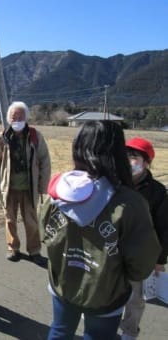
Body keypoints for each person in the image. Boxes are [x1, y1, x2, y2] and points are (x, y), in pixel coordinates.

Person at [38, 120, 161, 340]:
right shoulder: (129, 203)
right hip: (106, 292)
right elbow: (141, 264)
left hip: (63, 284)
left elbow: (44, 234)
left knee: (59, 330)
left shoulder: (60, 190)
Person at [0, 101, 51, 264]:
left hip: (29, 188)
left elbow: (45, 161)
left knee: (31, 220)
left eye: (20, 117)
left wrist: (43, 186)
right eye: (14, 117)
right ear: (9, 118)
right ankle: (13, 248)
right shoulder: (2, 138)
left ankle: (34, 250)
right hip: (8, 188)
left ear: (26, 118)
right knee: (10, 220)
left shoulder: (35, 136)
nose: (17, 120)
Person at [120, 137, 168, 340]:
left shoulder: (157, 191)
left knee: (135, 298)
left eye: (134, 156)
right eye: (127, 155)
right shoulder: (116, 182)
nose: (129, 160)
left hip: (141, 254)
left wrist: (160, 260)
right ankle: (102, 327)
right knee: (106, 292)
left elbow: (164, 227)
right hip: (113, 249)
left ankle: (129, 333)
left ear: (147, 162)